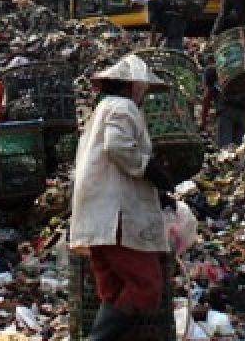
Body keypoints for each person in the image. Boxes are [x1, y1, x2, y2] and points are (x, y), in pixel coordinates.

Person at [70, 54, 173, 341]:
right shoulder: (123, 107)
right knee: (147, 286)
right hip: (117, 218)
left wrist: (156, 192)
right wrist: (150, 169)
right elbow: (118, 147)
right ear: (132, 85)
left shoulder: (101, 109)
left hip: (95, 216)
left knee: (113, 292)